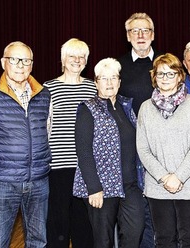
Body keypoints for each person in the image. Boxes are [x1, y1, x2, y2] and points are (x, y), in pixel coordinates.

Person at [0, 41, 51, 247]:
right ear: (4, 62)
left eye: (26, 60)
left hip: (38, 181)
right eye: (14, 60)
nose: (21, 65)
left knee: (38, 241)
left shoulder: (45, 95)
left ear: (32, 65)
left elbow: (47, 132)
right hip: (2, 183)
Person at [72, 58, 146, 248]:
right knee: (103, 241)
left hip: (130, 185)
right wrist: (94, 188)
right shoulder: (87, 109)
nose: (110, 83)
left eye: (114, 78)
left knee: (134, 233)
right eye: (104, 78)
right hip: (101, 187)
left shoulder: (127, 106)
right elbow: (84, 152)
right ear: (96, 82)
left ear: (120, 81)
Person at [136, 53, 190, 247]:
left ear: (180, 76)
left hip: (189, 186)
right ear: (154, 77)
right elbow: (143, 148)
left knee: (189, 239)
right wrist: (165, 177)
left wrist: (179, 177)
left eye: (170, 73)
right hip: (158, 188)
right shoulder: (145, 108)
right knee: (164, 240)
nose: (165, 78)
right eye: (161, 74)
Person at [43, 38, 96, 248]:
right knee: (58, 228)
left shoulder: (93, 89)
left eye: (82, 56)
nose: (77, 60)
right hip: (57, 168)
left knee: (85, 228)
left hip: (86, 169)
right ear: (63, 59)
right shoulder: (48, 88)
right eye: (72, 56)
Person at [116, 13, 158, 246]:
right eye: (135, 31)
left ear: (153, 35)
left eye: (145, 31)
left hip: (161, 152)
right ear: (128, 36)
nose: (140, 35)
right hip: (129, 154)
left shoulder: (166, 63)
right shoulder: (118, 66)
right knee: (134, 220)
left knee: (159, 217)